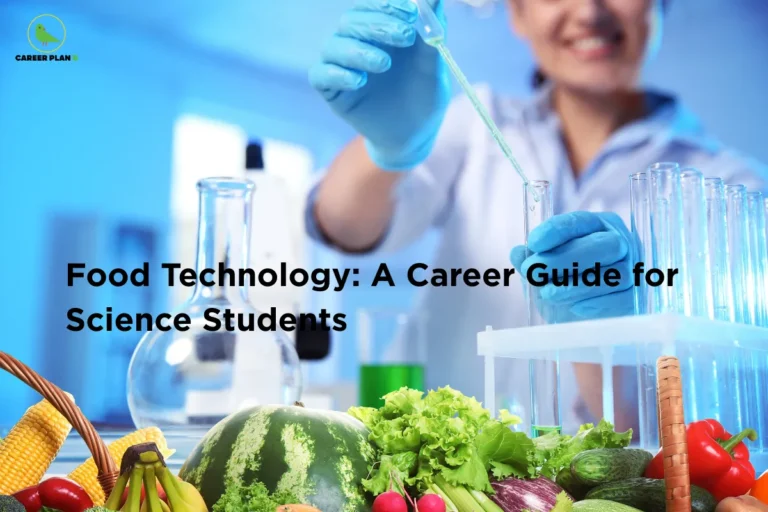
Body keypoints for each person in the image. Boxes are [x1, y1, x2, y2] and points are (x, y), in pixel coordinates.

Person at [306, 0, 768, 430]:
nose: (588, 11)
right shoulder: (474, 122)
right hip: (434, 473)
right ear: (517, 12)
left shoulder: (733, 191)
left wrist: (614, 333)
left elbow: (697, 419)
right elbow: (343, 224)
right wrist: (390, 150)